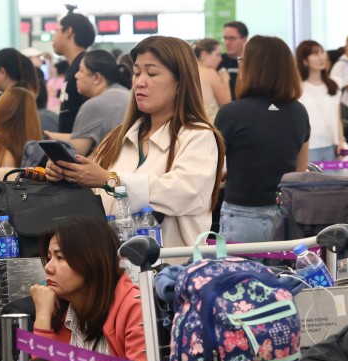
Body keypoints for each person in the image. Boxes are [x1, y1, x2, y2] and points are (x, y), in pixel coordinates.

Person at [45, 36, 224, 249]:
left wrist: (110, 180)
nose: (140, 81)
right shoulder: (117, 138)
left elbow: (184, 192)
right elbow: (92, 190)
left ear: (180, 82)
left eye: (152, 73)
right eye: (137, 73)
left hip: (171, 272)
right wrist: (67, 174)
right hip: (117, 269)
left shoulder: (197, 136)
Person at [28, 216, 150, 361]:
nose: (48, 267)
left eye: (60, 258)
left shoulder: (134, 307)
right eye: (48, 257)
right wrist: (42, 317)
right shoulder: (62, 309)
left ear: (92, 260)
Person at [215, 36, 308, 244]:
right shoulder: (299, 112)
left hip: (241, 215)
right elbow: (298, 174)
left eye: (242, 61)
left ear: (250, 67)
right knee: (282, 276)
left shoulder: (231, 113)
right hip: (285, 216)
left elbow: (210, 168)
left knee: (240, 276)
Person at [45, 50, 131, 156]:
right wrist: (46, 135)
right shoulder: (123, 94)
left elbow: (75, 152)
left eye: (80, 71)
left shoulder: (96, 105)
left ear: (96, 77)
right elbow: (80, 136)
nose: (76, 76)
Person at [297, 40, 344, 163]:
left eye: (322, 52)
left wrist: (341, 140)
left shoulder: (335, 84)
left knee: (335, 181)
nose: (321, 57)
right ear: (304, 60)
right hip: (308, 147)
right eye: (315, 54)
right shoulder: (297, 88)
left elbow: (338, 117)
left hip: (331, 146)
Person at [52, 7, 97, 134]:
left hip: (80, 150)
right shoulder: (73, 67)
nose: (53, 37)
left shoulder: (84, 67)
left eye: (56, 31)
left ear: (68, 31)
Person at [194, 38, 231, 122]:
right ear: (204, 54)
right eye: (217, 55)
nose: (220, 59)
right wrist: (225, 81)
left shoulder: (188, 71)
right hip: (209, 128)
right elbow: (226, 106)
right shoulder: (210, 72)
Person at [219, 20, 249, 100]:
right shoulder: (217, 61)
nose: (227, 43)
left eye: (232, 38)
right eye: (225, 38)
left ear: (244, 39)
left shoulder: (252, 63)